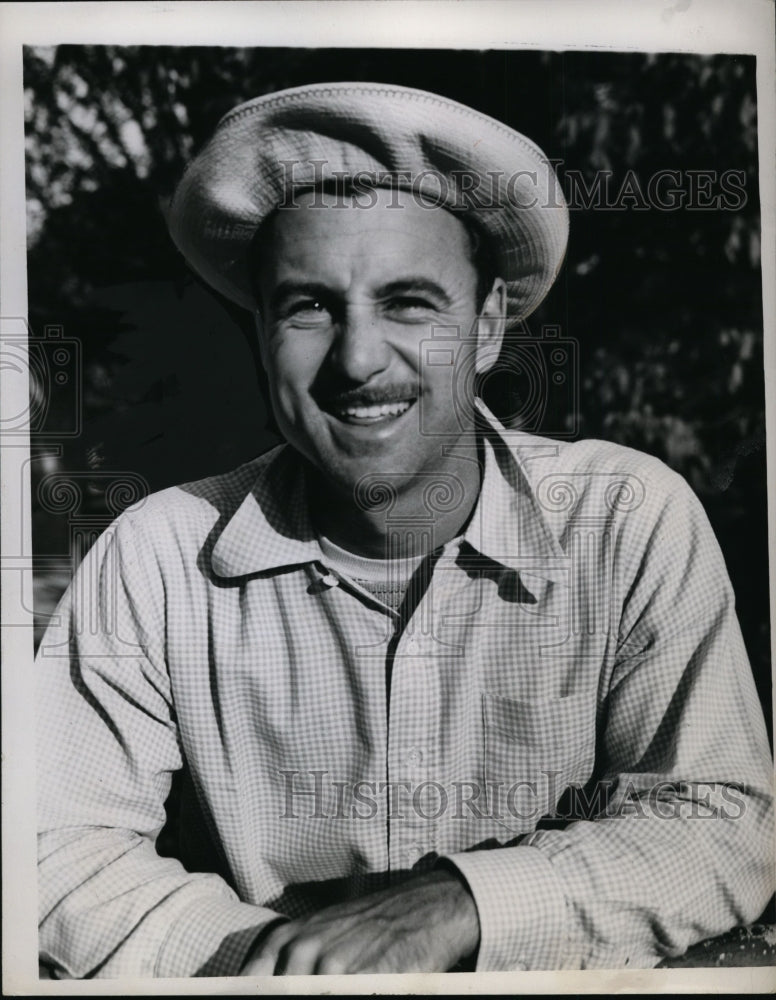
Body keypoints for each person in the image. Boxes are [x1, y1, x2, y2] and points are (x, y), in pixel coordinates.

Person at [36, 82, 773, 978]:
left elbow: (724, 818)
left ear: (489, 323)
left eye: (410, 304)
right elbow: (53, 849)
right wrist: (278, 963)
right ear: (262, 331)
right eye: (309, 306)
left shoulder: (625, 521)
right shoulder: (155, 560)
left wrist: (465, 904)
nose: (356, 359)